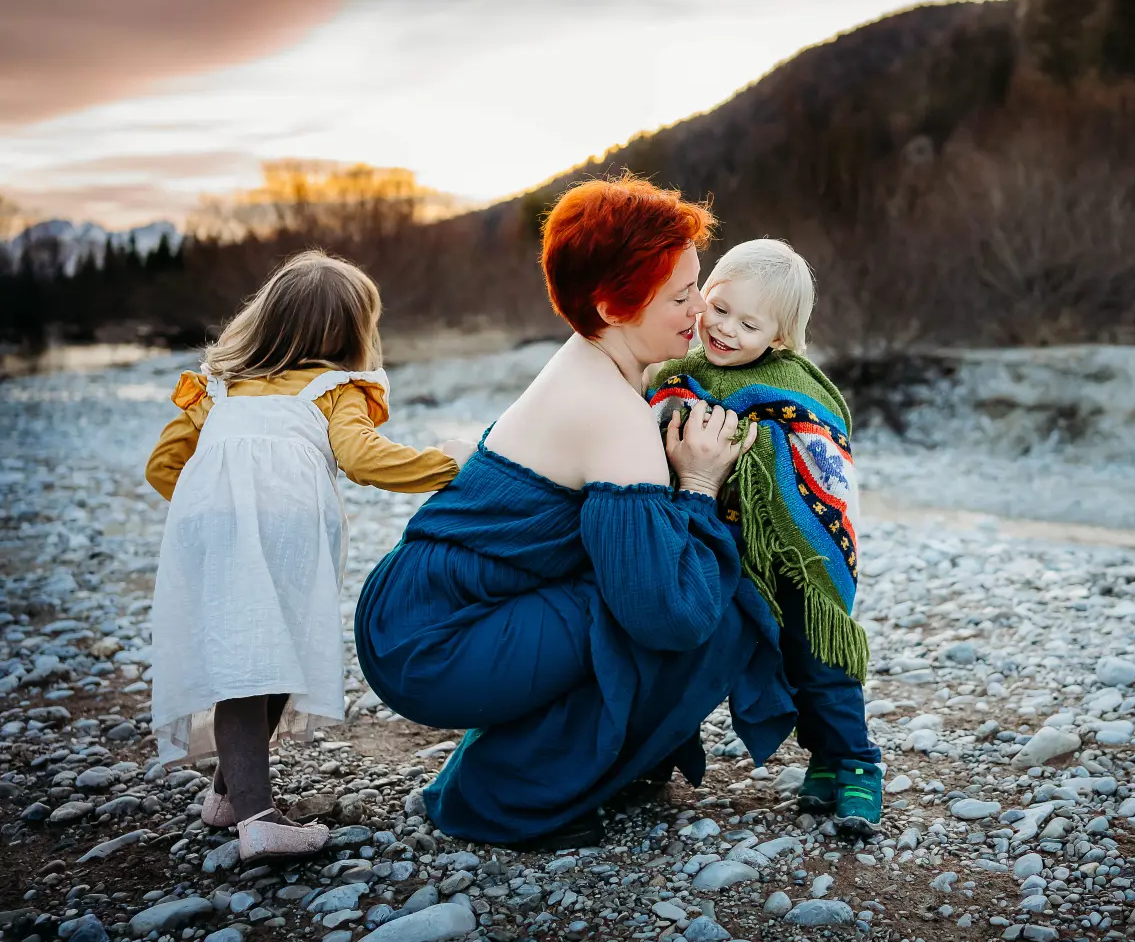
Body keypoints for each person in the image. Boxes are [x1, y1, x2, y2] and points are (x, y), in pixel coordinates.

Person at [354, 176, 797, 849]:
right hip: (432, 643)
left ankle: (603, 761)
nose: (701, 308)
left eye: (695, 286)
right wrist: (701, 486)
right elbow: (666, 614)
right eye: (681, 295)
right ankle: (500, 798)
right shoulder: (613, 417)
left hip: (419, 613)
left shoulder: (591, 362)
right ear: (614, 305)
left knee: (654, 583)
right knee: (712, 605)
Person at [144, 250, 466, 861]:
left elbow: (163, 467)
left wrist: (212, 512)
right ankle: (259, 822)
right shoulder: (334, 387)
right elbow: (364, 459)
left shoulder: (215, 386)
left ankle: (227, 797)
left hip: (211, 529)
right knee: (260, 663)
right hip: (286, 533)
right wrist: (451, 464)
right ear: (352, 332)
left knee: (257, 656)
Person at [647, 239, 882, 834]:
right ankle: (647, 760)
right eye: (719, 309)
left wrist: (748, 450)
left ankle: (850, 763)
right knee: (679, 652)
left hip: (791, 559)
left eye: (749, 324)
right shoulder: (675, 375)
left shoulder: (795, 386)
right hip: (706, 547)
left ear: (777, 338)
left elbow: (823, 467)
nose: (725, 329)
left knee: (817, 660)